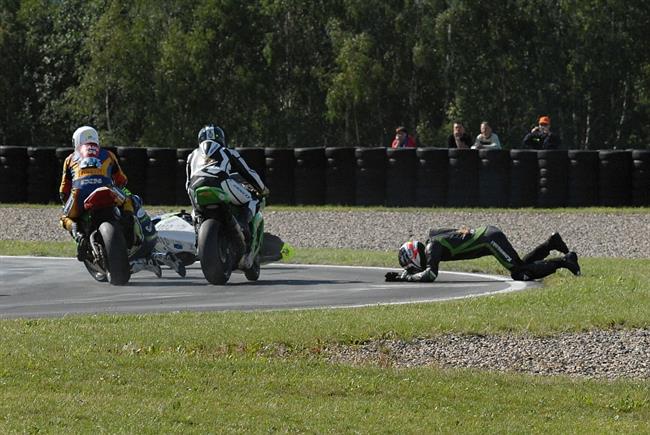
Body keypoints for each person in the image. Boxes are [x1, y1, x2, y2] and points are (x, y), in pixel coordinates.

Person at [385, 226, 580, 283]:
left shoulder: (432, 247)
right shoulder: (433, 240)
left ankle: (565, 261)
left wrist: (407, 277)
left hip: (489, 239)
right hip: (488, 237)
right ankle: (551, 243)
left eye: (410, 265)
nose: (412, 269)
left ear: (413, 256)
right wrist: (403, 276)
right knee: (520, 264)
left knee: (519, 273)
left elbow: (431, 274)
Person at [186, 125, 269, 248]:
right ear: (222, 139)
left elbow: (187, 183)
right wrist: (262, 189)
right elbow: (248, 172)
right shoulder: (227, 151)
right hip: (220, 182)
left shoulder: (191, 155)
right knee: (252, 200)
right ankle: (242, 225)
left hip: (195, 187)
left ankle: (198, 234)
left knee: (196, 213)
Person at [59, 126, 134, 255]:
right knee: (128, 200)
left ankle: (78, 233)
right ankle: (128, 220)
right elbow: (122, 180)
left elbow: (63, 188)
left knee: (64, 218)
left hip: (79, 193)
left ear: (76, 141)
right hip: (107, 189)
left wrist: (65, 200)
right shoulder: (109, 155)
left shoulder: (69, 159)